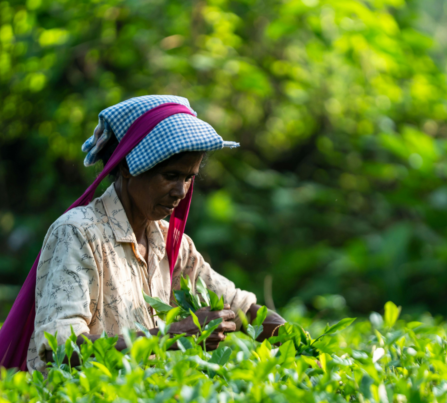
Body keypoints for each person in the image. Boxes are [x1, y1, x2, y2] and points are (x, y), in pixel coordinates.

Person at [20, 95, 285, 372]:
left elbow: (240, 308)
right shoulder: (78, 233)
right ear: (127, 167)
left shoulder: (169, 242)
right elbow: (60, 348)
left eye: (188, 178)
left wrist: (302, 344)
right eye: (170, 176)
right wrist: (171, 335)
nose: (181, 192)